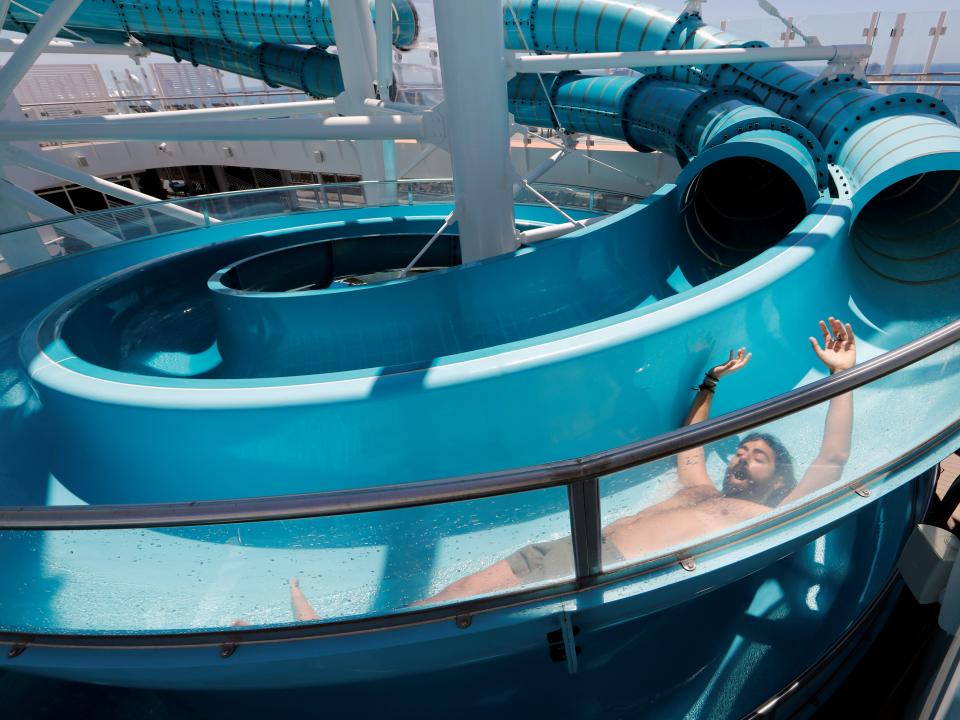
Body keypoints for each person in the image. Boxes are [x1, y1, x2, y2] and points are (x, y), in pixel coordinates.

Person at [421, 317, 856, 605]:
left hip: (602, 572)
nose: (740, 458)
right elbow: (690, 443)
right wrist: (710, 382)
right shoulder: (699, 490)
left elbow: (832, 458)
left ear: (780, 479)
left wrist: (841, 377)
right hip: (574, 547)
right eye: (741, 451)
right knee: (450, 598)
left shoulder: (768, 514)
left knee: (456, 615)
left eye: (757, 456)